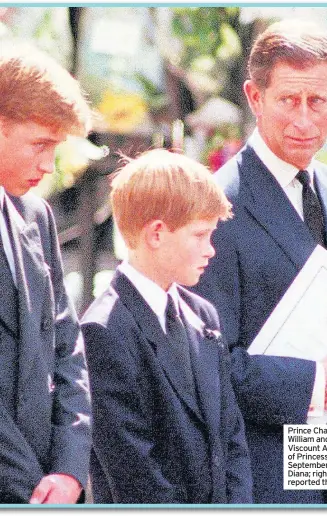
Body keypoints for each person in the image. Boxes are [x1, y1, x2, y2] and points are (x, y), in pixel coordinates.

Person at [193, 19, 327, 504]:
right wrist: (315, 381)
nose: (304, 121)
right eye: (289, 100)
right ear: (254, 97)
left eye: (318, 102)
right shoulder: (214, 204)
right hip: (270, 479)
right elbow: (206, 364)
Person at [80, 149, 253, 504]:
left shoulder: (204, 316)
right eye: (200, 235)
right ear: (156, 234)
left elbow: (232, 442)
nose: (211, 251)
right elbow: (134, 472)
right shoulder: (105, 329)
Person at [0, 42, 92, 503]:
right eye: (39, 145)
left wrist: (71, 470)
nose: (47, 165)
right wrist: (32, 488)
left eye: (54, 148)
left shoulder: (36, 216)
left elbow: (66, 345)